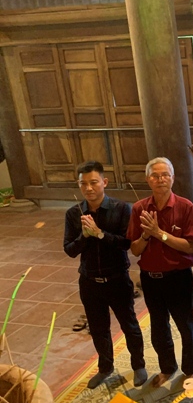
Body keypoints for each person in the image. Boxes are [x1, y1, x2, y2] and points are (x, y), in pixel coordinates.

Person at [63, 161, 146, 389]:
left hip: (117, 278)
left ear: (104, 182)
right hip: (89, 281)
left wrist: (99, 234)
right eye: (83, 184)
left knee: (129, 324)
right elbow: (70, 250)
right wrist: (84, 236)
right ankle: (105, 367)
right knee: (98, 328)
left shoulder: (121, 208)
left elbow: (126, 243)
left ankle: (138, 365)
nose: (88, 188)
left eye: (93, 182)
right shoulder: (74, 213)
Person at [127, 157, 193, 388]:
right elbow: (135, 250)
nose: (160, 179)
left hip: (178, 277)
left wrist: (159, 233)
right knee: (159, 327)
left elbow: (189, 247)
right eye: (155, 176)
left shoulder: (185, 206)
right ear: (148, 179)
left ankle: (192, 368)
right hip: (151, 279)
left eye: (165, 175)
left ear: (172, 178)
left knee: (185, 325)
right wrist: (146, 234)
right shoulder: (139, 208)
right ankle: (167, 367)